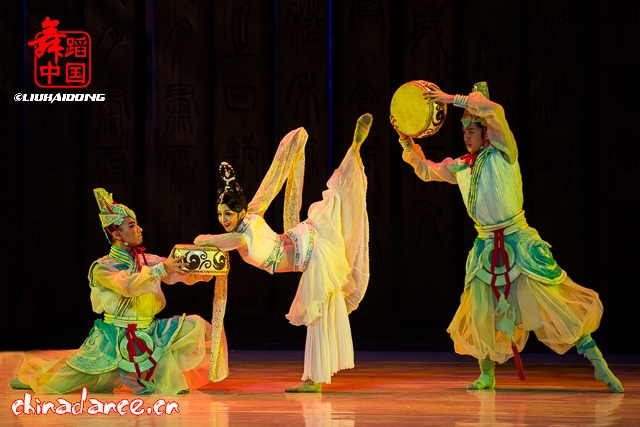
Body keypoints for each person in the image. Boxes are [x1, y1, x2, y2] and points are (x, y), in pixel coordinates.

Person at [391, 82, 624, 392]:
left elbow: (495, 111)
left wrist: (451, 99)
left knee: (556, 306)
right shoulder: (462, 166)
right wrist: (406, 140)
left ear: (486, 132)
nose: (466, 136)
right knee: (480, 312)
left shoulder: (505, 152)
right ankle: (487, 373)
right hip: (485, 246)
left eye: (471, 131)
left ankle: (598, 364)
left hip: (518, 242)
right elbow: (425, 169)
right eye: (464, 132)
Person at [195, 114, 372, 392]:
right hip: (309, 237)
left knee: (317, 315)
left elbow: (211, 240)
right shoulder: (251, 215)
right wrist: (290, 155)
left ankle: (314, 381)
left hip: (313, 249)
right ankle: (355, 151)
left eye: (227, 213)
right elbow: (270, 186)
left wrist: (291, 154)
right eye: (220, 214)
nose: (223, 219)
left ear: (239, 211)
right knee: (336, 197)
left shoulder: (240, 235)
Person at [10, 188, 213, 395]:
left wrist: (200, 274)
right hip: (114, 336)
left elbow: (175, 274)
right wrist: (162, 269)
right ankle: (36, 376)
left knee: (194, 325)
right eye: (132, 226)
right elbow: (127, 286)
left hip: (150, 331)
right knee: (59, 382)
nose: (140, 229)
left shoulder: (150, 261)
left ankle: (162, 378)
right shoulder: (102, 267)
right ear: (116, 234)